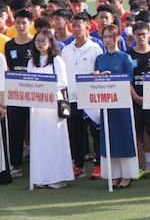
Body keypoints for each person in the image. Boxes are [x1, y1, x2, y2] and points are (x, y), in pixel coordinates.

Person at [94, 24, 138, 189]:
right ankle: (113, 175)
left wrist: (112, 77)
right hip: (106, 103)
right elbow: (95, 79)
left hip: (122, 103)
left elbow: (129, 79)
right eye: (104, 37)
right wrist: (97, 76)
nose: (107, 40)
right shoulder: (100, 58)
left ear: (117, 38)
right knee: (109, 138)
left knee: (124, 137)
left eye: (110, 37)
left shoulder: (125, 57)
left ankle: (127, 175)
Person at [28, 30, 73, 189]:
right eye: (37, 41)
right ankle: (42, 177)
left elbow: (63, 82)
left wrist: (44, 87)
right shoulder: (32, 62)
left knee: (55, 140)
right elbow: (29, 82)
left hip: (53, 104)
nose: (40, 44)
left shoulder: (57, 60)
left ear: (50, 42)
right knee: (40, 141)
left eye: (43, 41)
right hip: (38, 106)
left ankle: (58, 177)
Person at [62, 12, 103, 179]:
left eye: (79, 26)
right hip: (72, 98)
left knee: (96, 134)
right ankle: (79, 165)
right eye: (74, 26)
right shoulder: (66, 50)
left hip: (91, 98)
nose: (76, 29)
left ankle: (99, 165)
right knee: (76, 133)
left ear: (88, 27)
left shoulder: (95, 49)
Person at [127, 21, 150, 179]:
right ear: (133, 35)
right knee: (137, 135)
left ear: (149, 34)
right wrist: (136, 97)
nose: (141, 37)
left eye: (143, 34)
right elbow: (126, 80)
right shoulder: (128, 55)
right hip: (134, 101)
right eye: (138, 34)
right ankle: (138, 167)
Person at [5, 9, 34, 177]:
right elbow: (11, 67)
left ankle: (40, 162)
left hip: (35, 92)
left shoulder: (37, 42)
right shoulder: (9, 45)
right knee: (15, 128)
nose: (21, 26)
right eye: (18, 22)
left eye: (24, 22)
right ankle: (16, 164)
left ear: (30, 23)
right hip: (16, 93)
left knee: (37, 127)